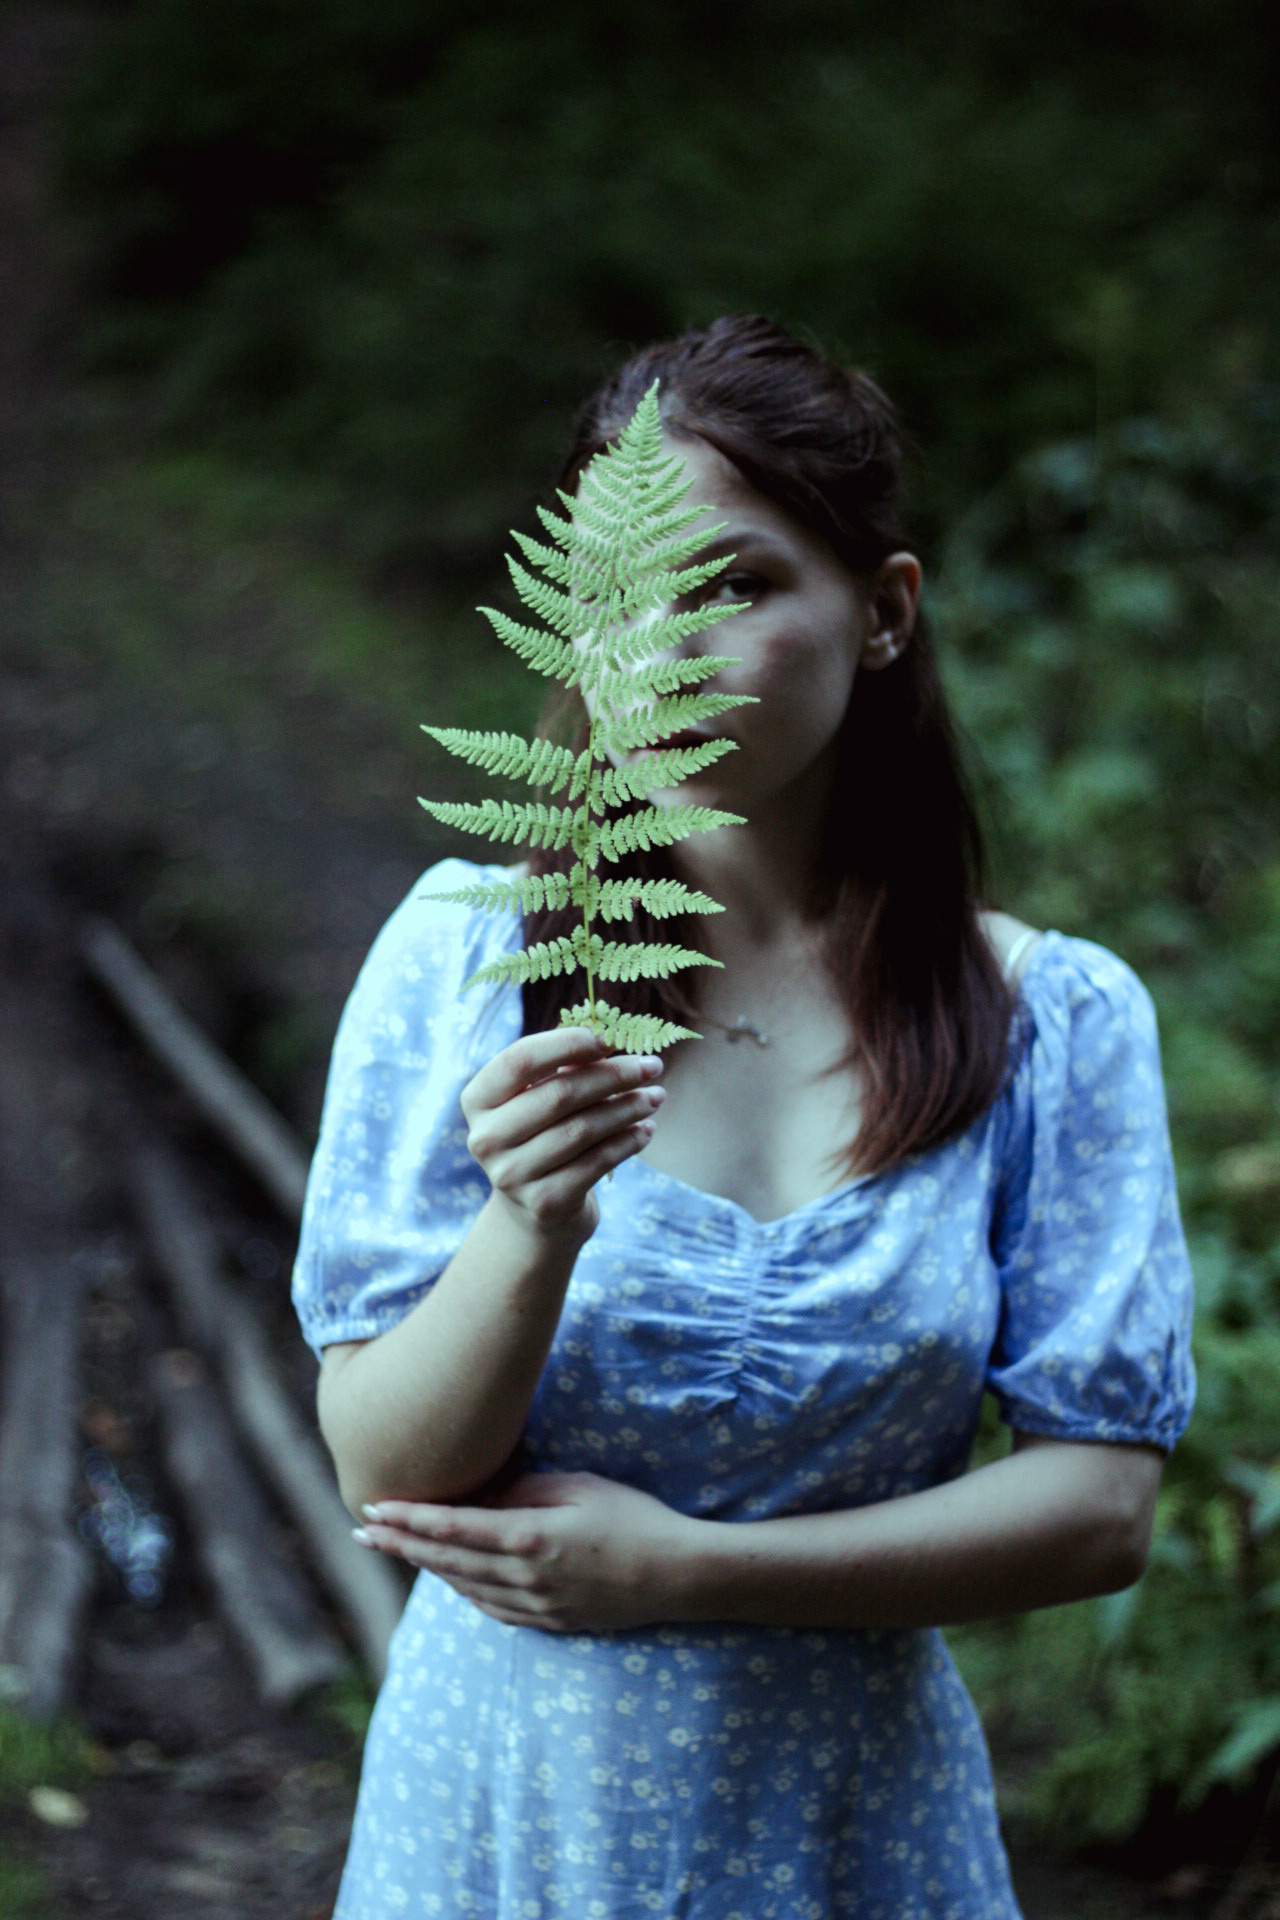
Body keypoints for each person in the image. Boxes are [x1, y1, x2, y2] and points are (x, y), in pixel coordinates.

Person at [292, 314, 1195, 1920]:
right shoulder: (476, 956)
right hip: (510, 1821)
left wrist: (695, 1575)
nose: (663, 656)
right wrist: (532, 1223)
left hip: (855, 1825)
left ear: (884, 612)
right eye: (617, 603)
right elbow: (385, 1469)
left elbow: (1100, 1505)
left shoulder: (1053, 1021)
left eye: (736, 587)